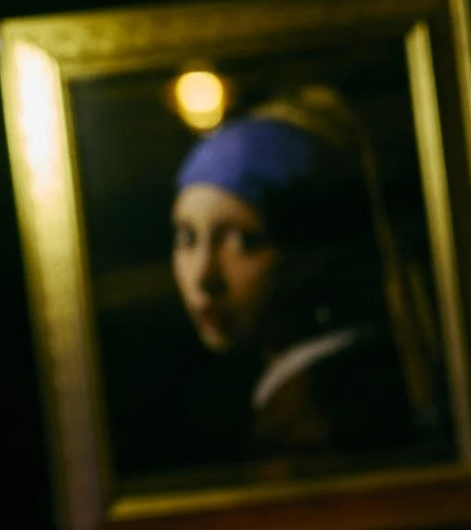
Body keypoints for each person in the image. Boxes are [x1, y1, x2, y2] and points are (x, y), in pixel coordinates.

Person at [168, 86, 445, 467]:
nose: (203, 276)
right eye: (187, 237)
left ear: (314, 251)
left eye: (244, 241)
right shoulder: (290, 400)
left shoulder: (319, 420)